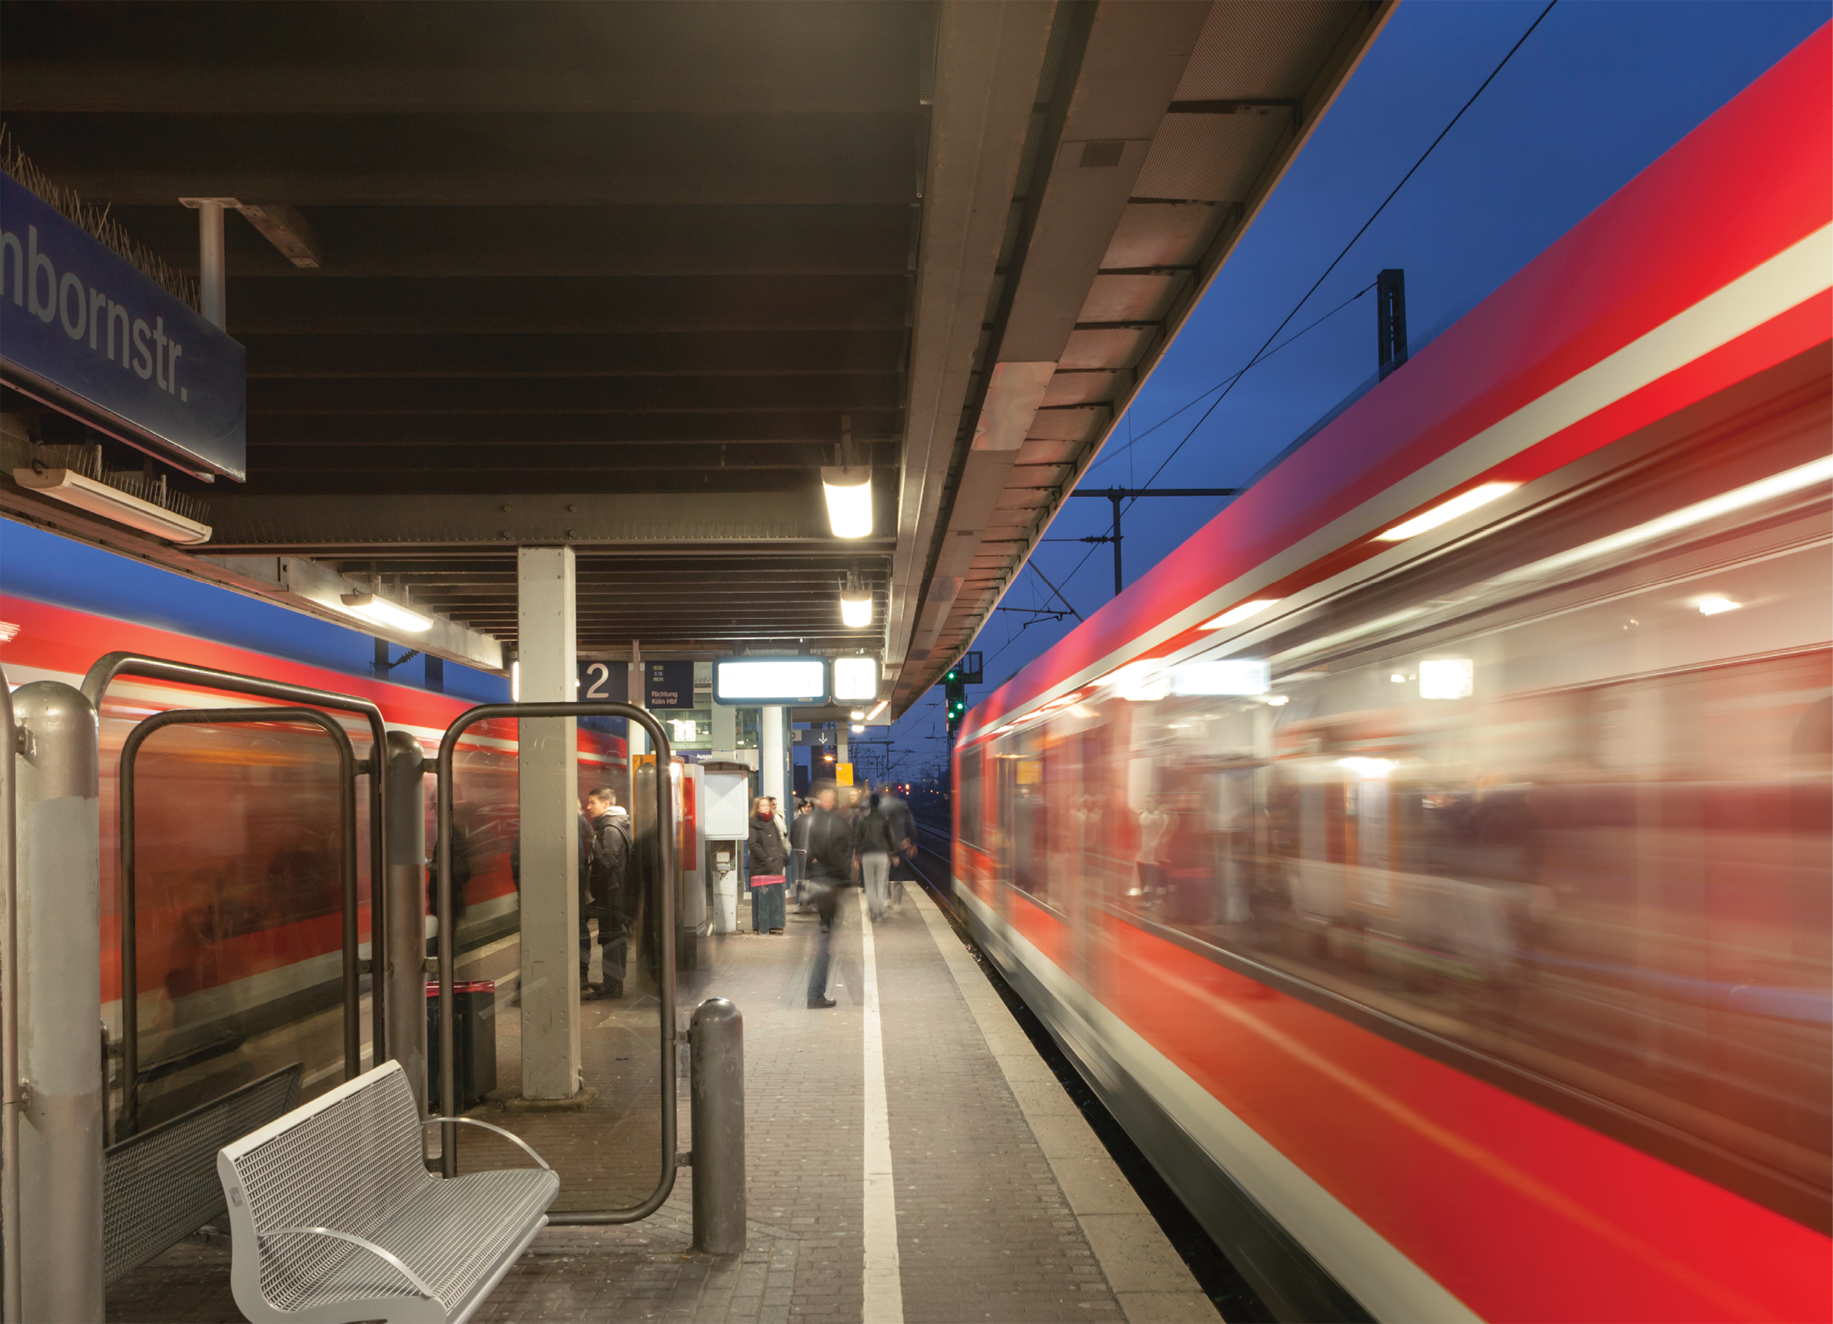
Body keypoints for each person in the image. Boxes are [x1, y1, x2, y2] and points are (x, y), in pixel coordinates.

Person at [802, 782, 852, 1008]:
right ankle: (815, 995)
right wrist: (844, 879)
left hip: (816, 883)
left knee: (824, 941)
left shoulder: (808, 821)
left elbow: (802, 848)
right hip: (829, 885)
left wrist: (813, 862)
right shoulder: (837, 822)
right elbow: (841, 854)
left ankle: (816, 993)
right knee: (824, 945)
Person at [581, 787, 632, 999]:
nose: (588, 807)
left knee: (611, 939)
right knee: (612, 938)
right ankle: (611, 984)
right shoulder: (614, 825)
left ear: (606, 804)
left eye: (593, 802)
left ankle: (612, 988)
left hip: (612, 894)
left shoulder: (610, 829)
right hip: (614, 893)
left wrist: (594, 887)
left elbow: (606, 863)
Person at [853, 790, 897, 921]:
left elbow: (858, 837)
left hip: (867, 854)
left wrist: (857, 854)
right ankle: (881, 909)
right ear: (879, 803)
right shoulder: (884, 817)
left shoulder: (863, 817)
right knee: (881, 882)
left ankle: (873, 911)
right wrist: (892, 851)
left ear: (869, 802)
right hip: (882, 854)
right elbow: (890, 837)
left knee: (870, 884)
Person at [747, 795, 789, 933]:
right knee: (762, 896)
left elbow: (778, 840)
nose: (766, 808)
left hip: (775, 864)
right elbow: (753, 844)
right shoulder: (752, 822)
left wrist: (781, 856)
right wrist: (766, 859)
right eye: (763, 806)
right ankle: (761, 924)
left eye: (767, 805)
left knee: (775, 894)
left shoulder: (773, 820)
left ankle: (775, 923)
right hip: (761, 866)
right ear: (757, 808)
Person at [788, 796, 814, 911]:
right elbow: (793, 838)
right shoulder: (796, 822)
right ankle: (799, 903)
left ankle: (810, 902)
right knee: (801, 879)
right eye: (805, 806)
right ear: (801, 807)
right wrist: (798, 848)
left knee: (812, 879)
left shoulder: (815, 822)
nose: (807, 809)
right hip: (801, 854)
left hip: (813, 854)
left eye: (809, 807)